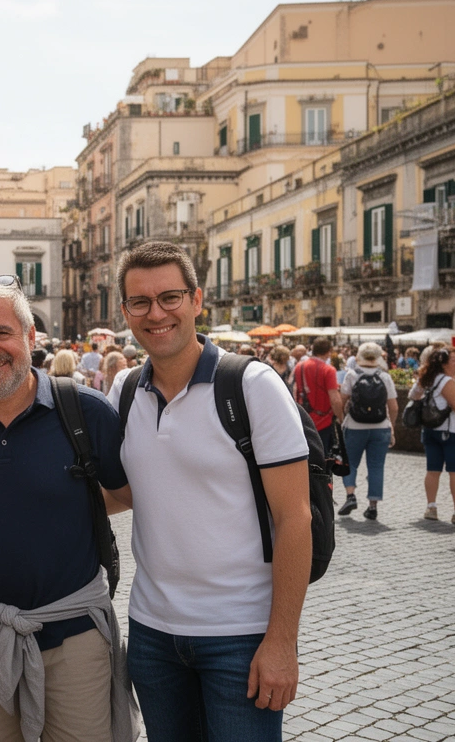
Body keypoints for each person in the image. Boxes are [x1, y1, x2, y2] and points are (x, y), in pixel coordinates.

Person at [107, 241, 310, 742]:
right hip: (152, 634)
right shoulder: (124, 392)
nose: (156, 313)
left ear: (198, 300)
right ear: (126, 312)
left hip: (240, 637)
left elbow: (295, 518)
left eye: (170, 297)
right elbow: (130, 492)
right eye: (140, 302)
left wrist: (282, 641)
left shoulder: (253, 386)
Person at [0, 281, 136, 742]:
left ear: (30, 337)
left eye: (1, 333)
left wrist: (63, 500)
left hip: (76, 637)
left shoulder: (85, 411)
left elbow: (126, 494)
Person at [338, 342, 399, 520]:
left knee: (350, 463)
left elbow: (342, 400)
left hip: (355, 426)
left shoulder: (352, 375)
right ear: (378, 356)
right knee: (376, 466)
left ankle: (350, 496)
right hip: (380, 427)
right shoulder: (385, 377)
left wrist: (342, 420)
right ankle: (373, 506)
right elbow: (394, 406)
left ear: (360, 356)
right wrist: (391, 427)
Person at [410, 348, 455, 524]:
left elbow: (413, 395)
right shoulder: (447, 381)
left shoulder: (427, 377)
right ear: (444, 363)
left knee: (433, 470)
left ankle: (431, 506)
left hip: (430, 430)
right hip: (450, 431)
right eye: (454, 361)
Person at [294, 337, 345, 465]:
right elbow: (335, 399)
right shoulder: (328, 370)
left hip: (303, 420)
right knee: (322, 461)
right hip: (323, 422)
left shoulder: (299, 366)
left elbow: (294, 390)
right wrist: (341, 417)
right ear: (328, 351)